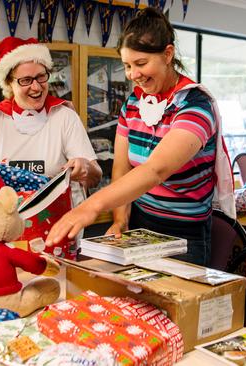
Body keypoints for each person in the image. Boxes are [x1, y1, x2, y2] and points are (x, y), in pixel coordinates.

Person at [46, 7, 235, 266]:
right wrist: (120, 220)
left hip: (184, 236)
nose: (133, 74)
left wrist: (90, 206)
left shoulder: (195, 106)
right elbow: (122, 168)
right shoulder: (133, 103)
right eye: (127, 66)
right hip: (139, 224)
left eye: (141, 63)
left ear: (168, 54)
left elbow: (156, 169)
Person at [0, 37, 102, 206]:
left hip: (60, 222)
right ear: (9, 83)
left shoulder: (65, 117)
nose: (37, 87)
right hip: (7, 223)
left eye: (41, 77)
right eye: (26, 80)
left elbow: (95, 177)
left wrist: (86, 168)